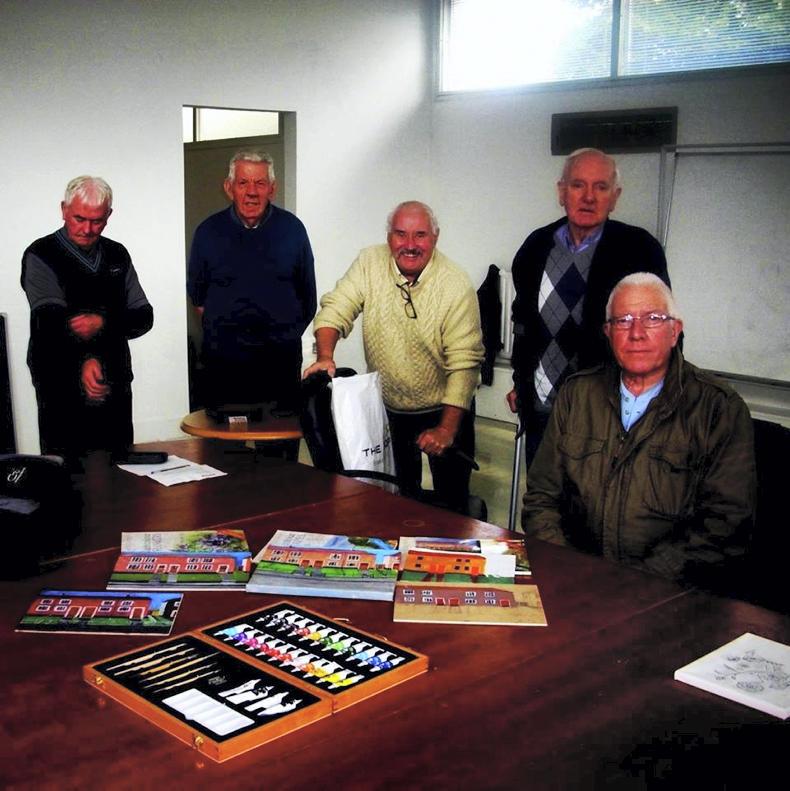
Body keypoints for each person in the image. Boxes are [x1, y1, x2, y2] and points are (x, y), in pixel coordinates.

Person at [522, 273, 755, 587]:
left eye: (653, 319)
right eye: (623, 320)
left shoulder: (718, 408)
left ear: (675, 331)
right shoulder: (577, 394)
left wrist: (633, 583)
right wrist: (570, 568)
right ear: (608, 332)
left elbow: (724, 526)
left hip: (668, 594)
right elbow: (541, 498)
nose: (636, 333)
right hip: (576, 581)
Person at [303, 201, 484, 512]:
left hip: (447, 406)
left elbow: (465, 363)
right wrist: (325, 355)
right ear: (389, 237)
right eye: (401, 234)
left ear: (435, 238)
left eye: (420, 235)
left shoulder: (455, 284)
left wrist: (446, 429)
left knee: (452, 505)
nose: (410, 245)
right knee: (396, 502)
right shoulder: (369, 262)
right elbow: (336, 308)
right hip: (390, 409)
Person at [507, 148, 670, 465]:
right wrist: (520, 383)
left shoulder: (640, 251)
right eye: (578, 185)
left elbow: (661, 332)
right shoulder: (535, 248)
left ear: (615, 196)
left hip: (609, 418)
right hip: (544, 410)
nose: (589, 197)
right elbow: (522, 324)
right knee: (544, 502)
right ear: (561, 191)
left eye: (601, 187)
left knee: (598, 509)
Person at [21, 176, 153, 462]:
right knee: (67, 471)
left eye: (97, 221)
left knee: (119, 467)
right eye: (79, 218)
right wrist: (84, 360)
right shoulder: (40, 255)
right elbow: (50, 321)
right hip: (59, 382)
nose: (88, 229)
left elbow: (143, 316)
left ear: (109, 216)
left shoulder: (117, 254)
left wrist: (103, 322)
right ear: (63, 210)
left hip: (114, 380)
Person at [187, 150, 316, 416]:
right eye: (243, 183)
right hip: (225, 367)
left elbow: (307, 298)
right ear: (228, 187)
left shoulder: (293, 230)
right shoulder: (208, 232)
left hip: (280, 366)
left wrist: (279, 334)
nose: (252, 192)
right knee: (225, 454)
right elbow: (198, 297)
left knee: (279, 452)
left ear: (272, 188)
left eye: (260, 183)